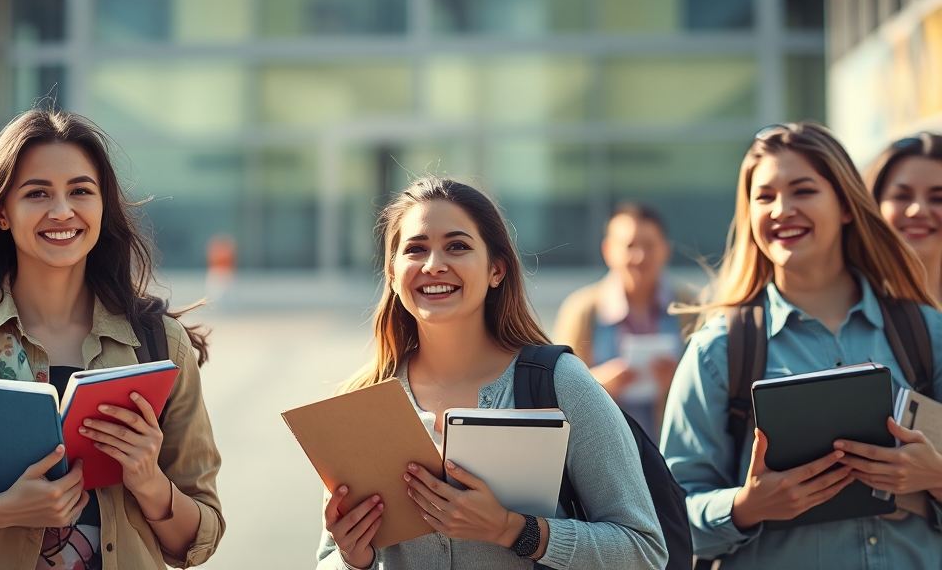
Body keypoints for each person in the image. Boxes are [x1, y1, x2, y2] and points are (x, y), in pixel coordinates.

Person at [0, 109, 224, 570]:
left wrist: (149, 483)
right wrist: (0, 510)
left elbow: (197, 541)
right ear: (2, 213)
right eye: (37, 193)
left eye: (80, 191)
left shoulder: (162, 346)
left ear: (102, 206)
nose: (62, 211)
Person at [316, 177, 667, 569]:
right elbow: (326, 561)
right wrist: (352, 559)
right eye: (416, 249)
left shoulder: (562, 383)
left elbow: (644, 551)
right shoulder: (360, 403)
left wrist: (513, 530)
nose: (434, 265)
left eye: (458, 246)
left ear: (496, 269)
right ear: (394, 274)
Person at [660, 122, 942, 568]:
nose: (781, 210)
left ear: (847, 206)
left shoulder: (929, 334)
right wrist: (747, 507)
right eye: (765, 197)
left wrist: (936, 477)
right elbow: (665, 519)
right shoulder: (718, 351)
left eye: (803, 190)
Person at [552, 203, 690, 439]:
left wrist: (682, 380)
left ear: (665, 250)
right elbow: (553, 392)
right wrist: (597, 385)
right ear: (608, 250)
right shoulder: (581, 310)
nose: (640, 256)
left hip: (674, 448)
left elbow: (716, 387)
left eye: (649, 245)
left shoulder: (690, 307)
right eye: (629, 246)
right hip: (602, 447)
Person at [865, 133, 942, 302]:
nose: (918, 210)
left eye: (938, 198)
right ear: (874, 204)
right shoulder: (848, 307)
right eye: (902, 196)